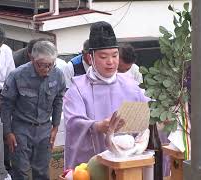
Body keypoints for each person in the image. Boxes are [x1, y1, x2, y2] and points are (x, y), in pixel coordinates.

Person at [63, 21, 150, 168]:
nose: (110, 62)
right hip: (91, 165)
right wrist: (96, 126)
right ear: (90, 58)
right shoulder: (77, 89)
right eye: (103, 57)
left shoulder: (131, 85)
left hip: (127, 164)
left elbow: (147, 116)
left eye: (115, 56)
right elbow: (72, 123)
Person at [1, 41, 66, 179]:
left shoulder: (58, 75)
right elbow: (6, 105)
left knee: (42, 171)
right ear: (32, 59)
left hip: (44, 129)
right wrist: (8, 132)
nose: (47, 69)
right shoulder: (17, 75)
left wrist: (55, 126)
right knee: (21, 171)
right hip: (21, 129)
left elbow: (58, 100)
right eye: (42, 65)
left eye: (51, 65)